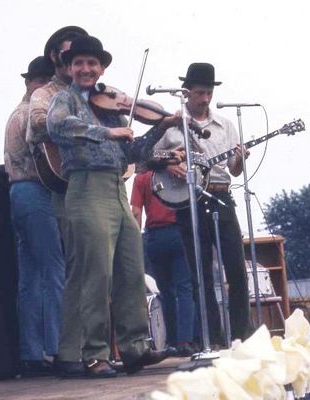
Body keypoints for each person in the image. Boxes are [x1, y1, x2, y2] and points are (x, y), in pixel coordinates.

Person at [47, 35, 180, 378]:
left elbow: (134, 153)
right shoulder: (65, 100)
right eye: (79, 63)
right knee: (96, 274)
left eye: (92, 63)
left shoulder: (112, 108)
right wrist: (106, 134)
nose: (86, 69)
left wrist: (160, 128)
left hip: (116, 189)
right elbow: (57, 126)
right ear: (70, 68)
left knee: (131, 268)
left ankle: (135, 349)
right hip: (86, 187)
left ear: (102, 67)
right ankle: (94, 354)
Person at [154, 63, 253, 348]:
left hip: (221, 196)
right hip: (189, 201)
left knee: (236, 267)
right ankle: (214, 339)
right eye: (199, 93)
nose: (205, 99)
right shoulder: (171, 124)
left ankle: (240, 335)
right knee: (200, 273)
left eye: (208, 93)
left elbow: (235, 171)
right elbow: (148, 156)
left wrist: (241, 157)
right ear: (186, 93)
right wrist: (172, 163)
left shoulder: (226, 125)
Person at [26, 25, 88, 378]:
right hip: (66, 187)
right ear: (56, 57)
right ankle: (69, 352)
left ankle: (96, 349)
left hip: (96, 186)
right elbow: (37, 124)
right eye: (71, 54)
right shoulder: (46, 94)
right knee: (70, 268)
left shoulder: (90, 91)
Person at [4, 56, 64, 376]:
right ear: (33, 83)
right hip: (36, 191)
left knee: (31, 277)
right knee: (53, 271)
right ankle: (55, 348)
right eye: (42, 81)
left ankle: (32, 351)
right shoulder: (33, 113)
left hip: (18, 193)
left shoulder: (16, 112)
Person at [130, 170, 198, 356]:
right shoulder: (176, 172)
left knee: (165, 292)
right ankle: (186, 340)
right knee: (185, 288)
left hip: (154, 238)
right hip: (178, 233)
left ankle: (173, 342)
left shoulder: (142, 177)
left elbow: (135, 211)